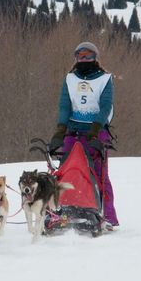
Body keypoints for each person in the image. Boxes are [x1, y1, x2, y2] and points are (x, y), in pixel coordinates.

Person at [49, 41, 119, 230]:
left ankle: (108, 216)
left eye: (87, 56)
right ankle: (62, 211)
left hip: (96, 132)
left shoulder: (105, 78)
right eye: (80, 56)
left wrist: (96, 131)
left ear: (95, 57)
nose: (84, 59)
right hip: (72, 131)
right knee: (65, 171)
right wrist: (59, 131)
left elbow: (105, 107)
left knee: (99, 174)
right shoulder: (70, 78)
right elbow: (65, 105)